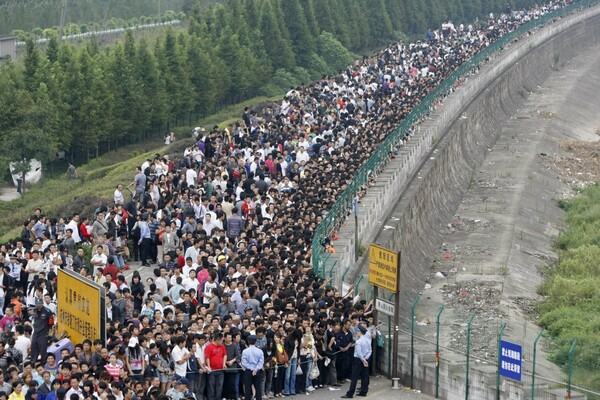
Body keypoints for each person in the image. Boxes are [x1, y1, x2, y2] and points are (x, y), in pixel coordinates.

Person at [341, 326, 371, 398]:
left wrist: (362, 359)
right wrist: (365, 359)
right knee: (365, 376)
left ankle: (350, 393)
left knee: (354, 377)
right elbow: (370, 350)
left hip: (358, 360)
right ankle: (364, 391)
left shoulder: (358, 341)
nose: (357, 332)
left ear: (360, 332)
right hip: (366, 358)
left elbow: (358, 352)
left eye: (358, 331)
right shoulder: (368, 340)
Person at [28, 297, 53, 364]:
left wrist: (48, 331)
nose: (38, 306)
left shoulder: (47, 311)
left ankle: (43, 363)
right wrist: (32, 313)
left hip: (43, 332)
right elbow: (30, 316)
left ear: (42, 303)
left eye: (39, 304)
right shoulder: (34, 310)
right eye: (37, 304)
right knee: (34, 347)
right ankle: (32, 363)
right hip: (35, 332)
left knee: (43, 349)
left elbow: (51, 323)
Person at [241, 335, 264, 400]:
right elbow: (261, 362)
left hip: (248, 371)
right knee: (258, 388)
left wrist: (251, 368)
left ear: (248, 341)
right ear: (256, 341)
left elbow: (244, 362)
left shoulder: (245, 351)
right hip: (257, 371)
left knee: (247, 388)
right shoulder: (260, 351)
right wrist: (255, 369)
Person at [204, 333, 226, 400]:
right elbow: (207, 357)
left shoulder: (222, 346)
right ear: (217, 340)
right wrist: (209, 366)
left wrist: (224, 364)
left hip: (220, 369)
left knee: (219, 386)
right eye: (221, 340)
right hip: (212, 370)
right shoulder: (209, 347)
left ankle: (218, 398)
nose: (222, 342)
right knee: (211, 386)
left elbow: (224, 355)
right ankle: (211, 398)